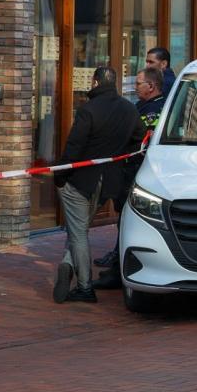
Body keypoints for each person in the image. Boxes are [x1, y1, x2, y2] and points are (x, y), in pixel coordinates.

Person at [53, 67, 145, 303]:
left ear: (94, 82)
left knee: (78, 232)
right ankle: (67, 263)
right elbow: (139, 141)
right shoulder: (128, 108)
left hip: (81, 181)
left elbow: (74, 147)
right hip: (108, 183)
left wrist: (60, 175)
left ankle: (84, 287)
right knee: (79, 228)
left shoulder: (88, 110)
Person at [91, 67, 166, 290]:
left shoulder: (153, 110)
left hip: (135, 172)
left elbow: (139, 141)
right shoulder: (148, 106)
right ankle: (118, 263)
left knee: (128, 221)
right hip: (132, 172)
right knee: (124, 221)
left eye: (139, 84)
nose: (135, 88)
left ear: (151, 87)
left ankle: (119, 271)